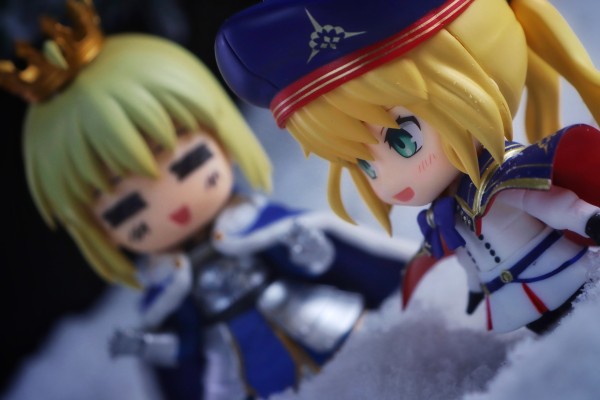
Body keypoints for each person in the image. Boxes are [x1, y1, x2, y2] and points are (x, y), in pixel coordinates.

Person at [1, 1, 413, 399]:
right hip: (247, 371)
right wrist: (148, 346)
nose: (171, 204)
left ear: (222, 136)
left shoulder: (259, 226)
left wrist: (312, 250)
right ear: (96, 229)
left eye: (189, 163)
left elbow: (352, 263)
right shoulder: (167, 295)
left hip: (320, 320)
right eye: (127, 209)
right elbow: (183, 353)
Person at [215, 0, 600, 334]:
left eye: (403, 141)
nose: (387, 178)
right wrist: (473, 290)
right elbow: (466, 255)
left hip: (562, 272)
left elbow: (545, 202)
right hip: (513, 300)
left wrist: (584, 219)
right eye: (364, 164)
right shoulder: (443, 217)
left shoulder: (508, 176)